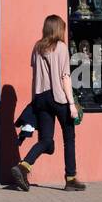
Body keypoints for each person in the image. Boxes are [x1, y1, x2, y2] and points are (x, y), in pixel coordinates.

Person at [9, 14, 86, 192]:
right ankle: (71, 178)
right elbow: (65, 77)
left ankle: (23, 166)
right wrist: (72, 105)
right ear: (59, 29)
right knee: (69, 139)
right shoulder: (61, 48)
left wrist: (34, 101)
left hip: (40, 97)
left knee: (45, 140)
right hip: (58, 97)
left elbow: (34, 75)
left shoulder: (37, 47)